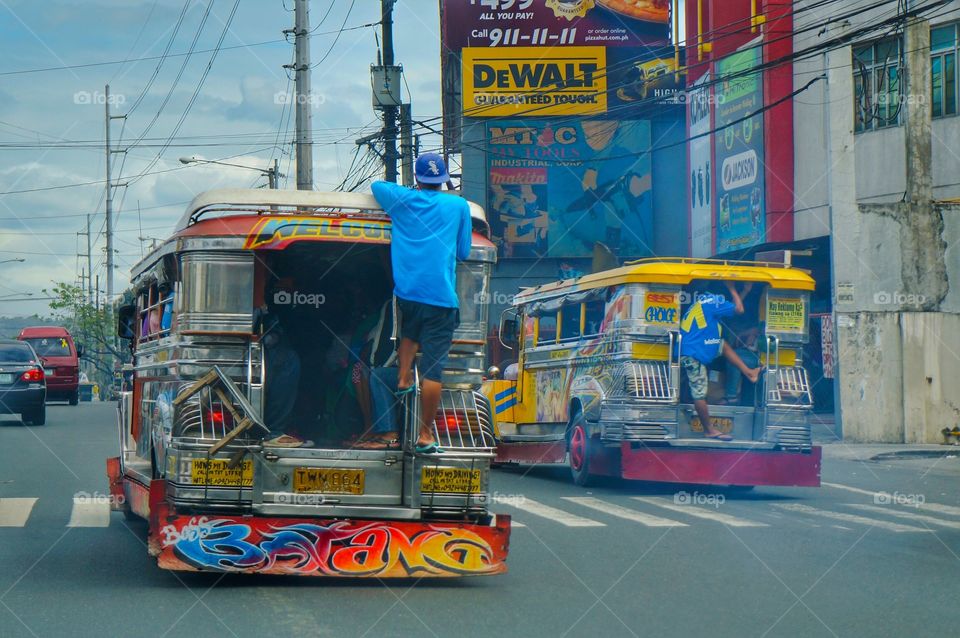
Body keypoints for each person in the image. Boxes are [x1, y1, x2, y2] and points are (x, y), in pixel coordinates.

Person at [371, 153, 472, 454]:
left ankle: (403, 378)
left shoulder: (401, 200)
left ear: (417, 179)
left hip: (408, 294)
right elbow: (464, 252)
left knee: (408, 335)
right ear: (444, 180)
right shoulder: (458, 204)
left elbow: (377, 185)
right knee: (432, 372)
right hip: (441, 298)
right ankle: (425, 434)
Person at [679, 281, 762, 441]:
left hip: (698, 347)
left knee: (722, 344)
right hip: (693, 353)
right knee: (699, 393)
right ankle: (709, 430)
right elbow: (739, 309)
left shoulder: (703, 302)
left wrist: (743, 291)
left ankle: (750, 372)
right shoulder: (712, 301)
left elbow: (731, 307)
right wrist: (732, 288)